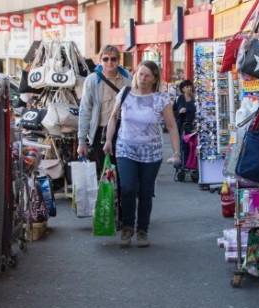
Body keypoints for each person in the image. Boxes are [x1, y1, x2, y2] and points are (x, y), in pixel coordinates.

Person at [103, 61, 181, 248]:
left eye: (147, 75)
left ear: (155, 79)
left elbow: (171, 126)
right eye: (140, 74)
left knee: (145, 192)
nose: (142, 78)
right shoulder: (125, 93)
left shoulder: (161, 99)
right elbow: (113, 117)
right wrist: (108, 140)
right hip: (125, 149)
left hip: (151, 153)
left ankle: (142, 230)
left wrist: (177, 152)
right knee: (128, 188)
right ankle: (128, 227)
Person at [77, 45, 132, 175]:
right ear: (100, 61)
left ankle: (123, 195)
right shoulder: (92, 80)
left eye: (113, 59)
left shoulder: (128, 79)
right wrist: (82, 141)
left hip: (125, 131)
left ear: (118, 60)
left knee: (123, 173)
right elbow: (85, 111)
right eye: (106, 59)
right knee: (106, 173)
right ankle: (109, 195)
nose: (109, 62)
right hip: (101, 132)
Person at [173, 80, 197, 169]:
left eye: (190, 86)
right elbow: (173, 112)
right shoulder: (179, 99)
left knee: (191, 147)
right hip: (182, 127)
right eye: (187, 87)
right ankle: (181, 166)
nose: (189, 88)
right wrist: (179, 112)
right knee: (182, 147)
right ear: (183, 89)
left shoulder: (195, 99)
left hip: (192, 127)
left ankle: (190, 165)